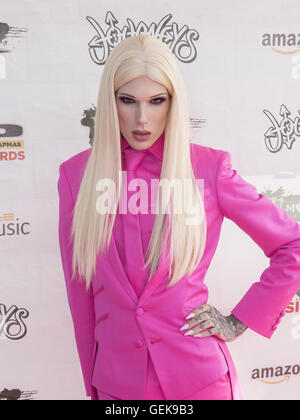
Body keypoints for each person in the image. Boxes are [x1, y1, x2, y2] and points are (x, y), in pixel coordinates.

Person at [57, 34, 300, 400]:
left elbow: (292, 244)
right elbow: (82, 298)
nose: (142, 118)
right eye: (128, 101)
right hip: (116, 385)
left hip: (199, 380)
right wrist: (92, 384)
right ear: (110, 103)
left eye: (157, 101)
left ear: (174, 103)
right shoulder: (77, 177)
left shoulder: (209, 168)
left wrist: (237, 321)